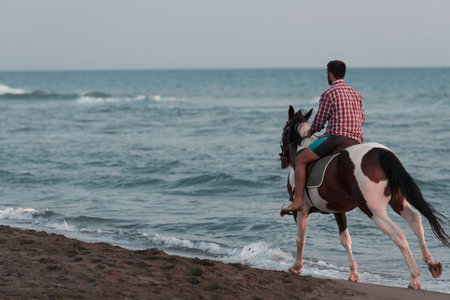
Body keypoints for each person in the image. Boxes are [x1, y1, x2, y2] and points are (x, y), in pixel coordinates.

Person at [281, 60, 365, 215]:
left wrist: (310, 132)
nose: (327, 75)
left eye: (327, 73)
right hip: (356, 140)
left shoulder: (329, 93)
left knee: (299, 160)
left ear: (330, 74)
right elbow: (362, 119)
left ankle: (298, 201)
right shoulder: (356, 93)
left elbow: (319, 122)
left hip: (336, 138)